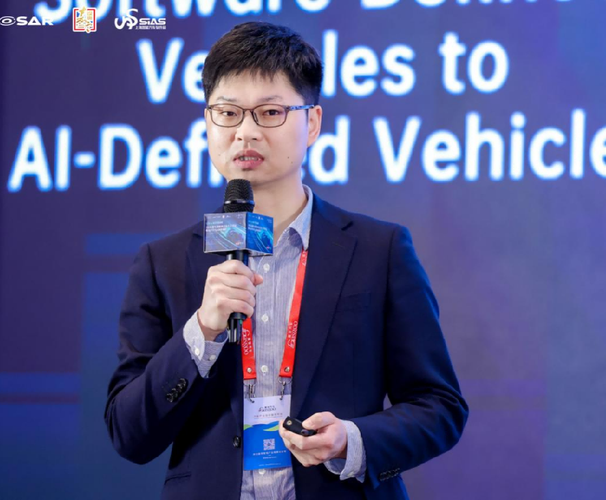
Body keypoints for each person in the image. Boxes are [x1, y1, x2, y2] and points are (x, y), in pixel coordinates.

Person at [105, 21, 468, 500]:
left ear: (312, 123)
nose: (245, 132)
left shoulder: (378, 250)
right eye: (227, 113)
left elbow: (439, 406)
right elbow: (129, 433)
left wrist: (352, 440)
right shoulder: (163, 263)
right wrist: (202, 331)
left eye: (270, 112)